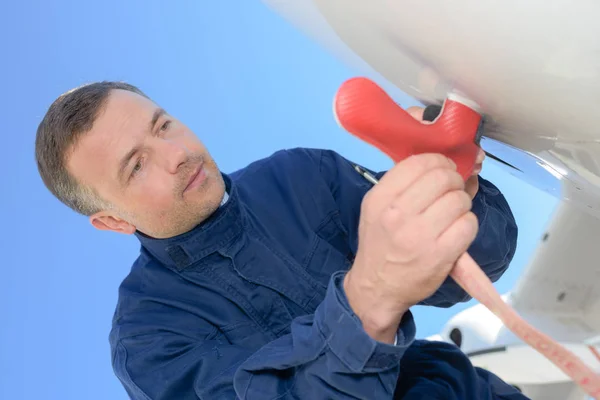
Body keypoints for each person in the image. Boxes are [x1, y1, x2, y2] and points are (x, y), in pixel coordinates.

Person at [35, 81, 525, 399]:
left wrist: (456, 192)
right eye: (136, 165)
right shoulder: (147, 343)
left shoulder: (299, 174)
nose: (176, 155)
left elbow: (474, 269)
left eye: (163, 125)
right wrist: (369, 301)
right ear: (113, 222)